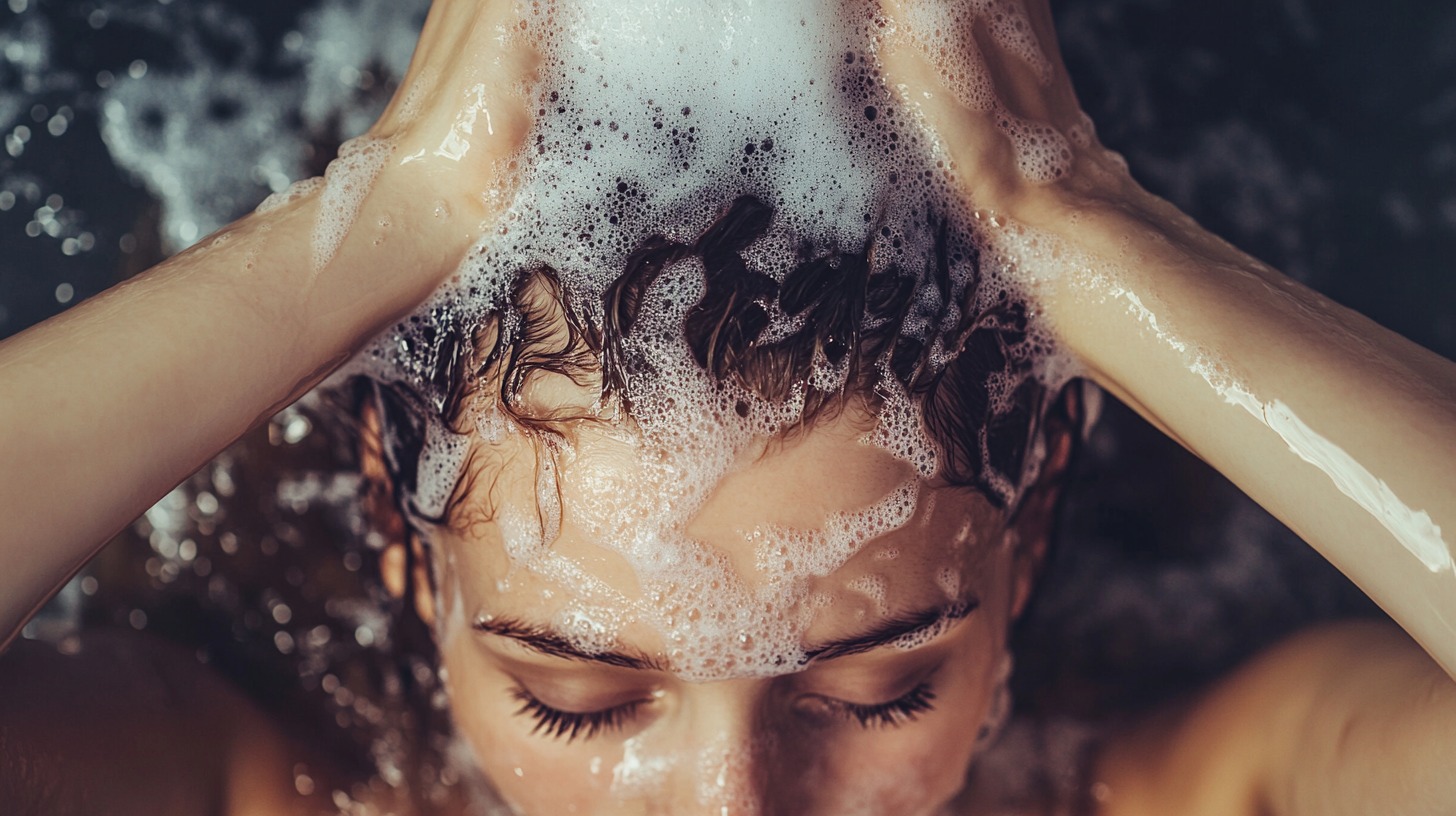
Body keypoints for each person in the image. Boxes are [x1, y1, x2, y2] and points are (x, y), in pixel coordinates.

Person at [2, 1, 1455, 814]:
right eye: (575, 700)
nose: (732, 807)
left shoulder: (1192, 791)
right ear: (400, 528)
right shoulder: (254, 789)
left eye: (879, 687)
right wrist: (393, 215)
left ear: (1033, 526)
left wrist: (1073, 225)